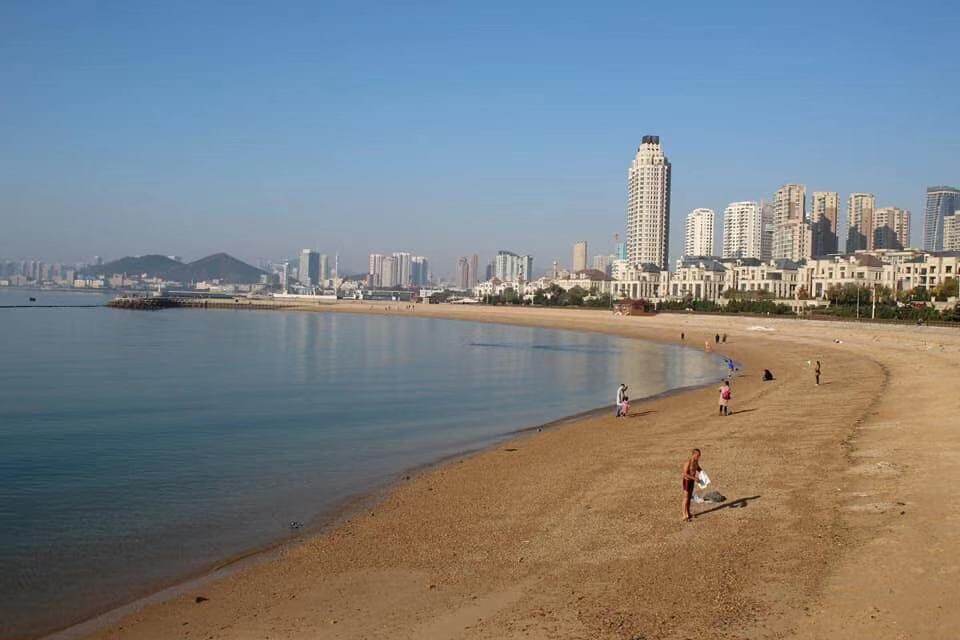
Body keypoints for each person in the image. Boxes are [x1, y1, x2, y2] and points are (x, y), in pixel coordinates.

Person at [682, 449, 702, 521]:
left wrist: (703, 474)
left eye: (699, 456)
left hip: (692, 481)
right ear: (693, 454)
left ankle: (688, 513)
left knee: (689, 497)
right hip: (687, 481)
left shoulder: (696, 462)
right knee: (686, 498)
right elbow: (684, 474)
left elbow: (698, 468)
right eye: (697, 455)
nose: (698, 457)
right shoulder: (688, 462)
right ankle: (684, 515)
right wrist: (694, 478)